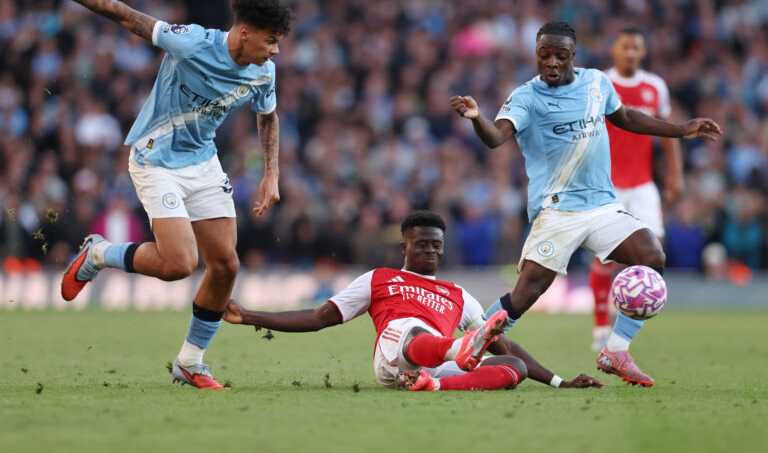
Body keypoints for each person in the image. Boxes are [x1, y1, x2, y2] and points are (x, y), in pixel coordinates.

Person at [15, 0, 293, 389]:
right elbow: (127, 15)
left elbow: (268, 117)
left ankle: (190, 362)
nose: (275, 51)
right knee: (180, 264)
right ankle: (99, 255)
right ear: (246, 31)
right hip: (155, 158)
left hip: (202, 163)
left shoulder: (263, 73)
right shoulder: (193, 41)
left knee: (225, 264)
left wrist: (272, 170)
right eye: (271, 40)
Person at [450, 21, 721, 387]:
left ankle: (616, 350)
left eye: (560, 55)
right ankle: (474, 337)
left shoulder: (596, 83)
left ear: (573, 55)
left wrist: (681, 129)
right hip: (557, 210)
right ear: (537, 54)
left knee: (652, 256)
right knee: (527, 292)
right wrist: (476, 118)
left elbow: (625, 117)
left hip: (601, 206)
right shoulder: (526, 97)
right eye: (544, 55)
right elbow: (497, 137)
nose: (551, 62)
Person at [223, 211, 603, 391]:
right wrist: (249, 315)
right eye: (421, 243)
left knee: (512, 365)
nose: (431, 250)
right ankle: (459, 349)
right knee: (411, 327)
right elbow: (317, 317)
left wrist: (559, 382)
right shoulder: (380, 278)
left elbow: (504, 341)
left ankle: (433, 385)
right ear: (403, 244)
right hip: (393, 355)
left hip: (432, 370)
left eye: (437, 244)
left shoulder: (458, 294)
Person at [588, 28, 683, 352]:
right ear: (614, 48)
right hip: (606, 184)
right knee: (606, 258)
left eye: (636, 48)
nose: (630, 53)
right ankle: (601, 326)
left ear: (643, 53)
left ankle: (624, 324)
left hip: (643, 184)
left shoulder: (655, 86)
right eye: (625, 46)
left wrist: (676, 173)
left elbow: (668, 132)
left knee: (653, 252)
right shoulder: (599, 82)